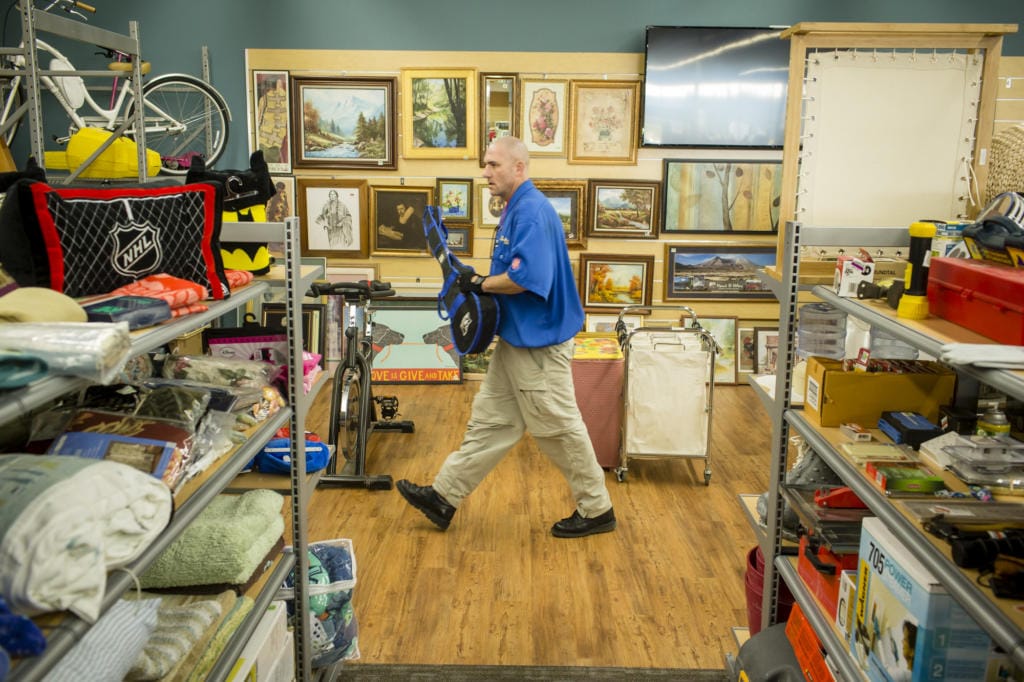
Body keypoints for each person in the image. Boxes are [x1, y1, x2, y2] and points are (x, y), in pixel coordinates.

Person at [397, 135, 616, 539]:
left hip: (539, 345)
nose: (485, 172)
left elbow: (525, 278)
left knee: (557, 429)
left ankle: (597, 508)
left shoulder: (531, 211)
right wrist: (473, 280)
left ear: (519, 167)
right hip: (518, 339)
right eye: (485, 164)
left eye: (494, 164)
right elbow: (510, 271)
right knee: (491, 422)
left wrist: (480, 282)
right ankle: (444, 496)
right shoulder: (515, 210)